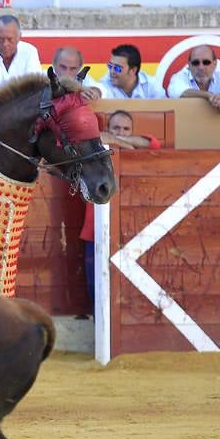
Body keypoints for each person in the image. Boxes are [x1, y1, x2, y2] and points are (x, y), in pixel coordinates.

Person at [80, 110, 160, 304]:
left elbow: (153, 144)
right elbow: (96, 137)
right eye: (116, 128)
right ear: (108, 128)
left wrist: (119, 141)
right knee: (94, 285)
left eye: (126, 129)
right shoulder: (96, 147)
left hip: (132, 231)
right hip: (95, 230)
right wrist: (122, 143)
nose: (121, 132)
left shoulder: (138, 145)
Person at [166, 44, 220, 114]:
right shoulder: (180, 76)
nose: (201, 67)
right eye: (196, 63)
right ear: (189, 65)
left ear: (215, 64)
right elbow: (175, 91)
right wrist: (208, 95)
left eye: (206, 62)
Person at [99, 43, 166, 98]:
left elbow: (166, 110)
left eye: (117, 68)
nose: (111, 71)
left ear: (133, 70)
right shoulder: (104, 84)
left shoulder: (152, 85)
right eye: (110, 66)